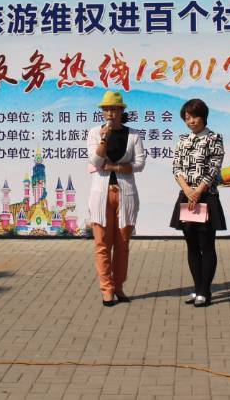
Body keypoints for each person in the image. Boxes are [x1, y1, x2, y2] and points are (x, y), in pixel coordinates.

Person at [87, 91, 145, 307]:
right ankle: (107, 289)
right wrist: (104, 138)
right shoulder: (95, 133)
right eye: (106, 109)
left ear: (121, 111)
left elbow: (139, 163)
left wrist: (115, 167)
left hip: (125, 194)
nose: (110, 113)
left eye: (114, 109)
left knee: (122, 245)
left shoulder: (133, 135)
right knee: (102, 244)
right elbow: (95, 161)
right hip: (101, 194)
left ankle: (119, 286)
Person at [170, 98, 226, 307]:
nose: (191, 121)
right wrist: (187, 190)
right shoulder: (182, 140)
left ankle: (205, 291)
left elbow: (214, 168)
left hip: (206, 196)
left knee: (206, 245)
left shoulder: (214, 138)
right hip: (187, 196)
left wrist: (198, 191)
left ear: (203, 116)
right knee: (191, 244)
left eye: (194, 117)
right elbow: (176, 167)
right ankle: (197, 288)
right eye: (187, 118)